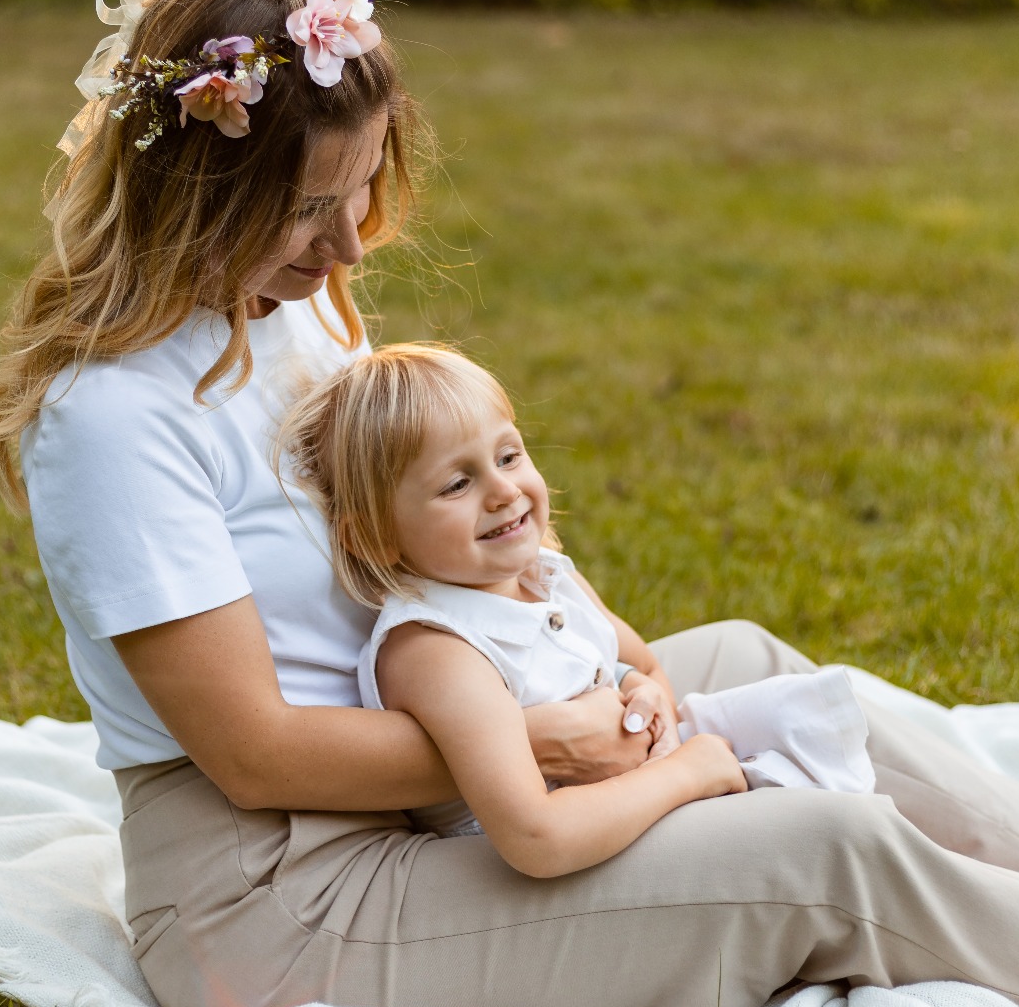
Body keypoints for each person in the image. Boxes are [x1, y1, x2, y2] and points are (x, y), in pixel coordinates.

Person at [0, 0, 1019, 1007]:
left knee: (756, 670)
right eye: (302, 211)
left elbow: (442, 544)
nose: (348, 246)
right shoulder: (114, 415)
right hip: (283, 892)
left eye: (357, 187)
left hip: (446, 761)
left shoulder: (298, 308)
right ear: (196, 195)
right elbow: (254, 756)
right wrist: (544, 745)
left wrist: (613, 682)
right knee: (820, 849)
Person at [276, 342, 876, 864]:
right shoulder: (436, 650)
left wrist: (642, 694)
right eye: (457, 484)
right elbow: (536, 836)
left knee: (808, 725)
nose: (503, 490)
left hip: (635, 800)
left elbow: (642, 665)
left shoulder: (545, 577)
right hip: (559, 865)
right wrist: (686, 773)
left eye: (508, 456)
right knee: (820, 831)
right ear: (376, 537)